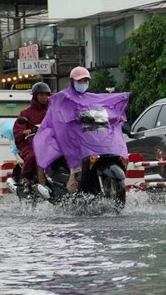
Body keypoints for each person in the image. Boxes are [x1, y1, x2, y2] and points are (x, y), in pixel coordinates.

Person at [33, 66, 129, 194]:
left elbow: (105, 109)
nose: (83, 83)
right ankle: (71, 190)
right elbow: (58, 115)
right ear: (72, 81)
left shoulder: (93, 99)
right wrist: (69, 118)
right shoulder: (64, 98)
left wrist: (116, 116)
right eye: (80, 81)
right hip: (73, 140)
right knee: (75, 173)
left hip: (93, 140)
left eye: (86, 80)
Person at [12, 81, 52, 198]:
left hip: (50, 142)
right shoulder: (25, 113)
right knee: (33, 156)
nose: (44, 97)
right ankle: (28, 182)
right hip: (30, 143)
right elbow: (18, 130)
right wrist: (25, 131)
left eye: (46, 95)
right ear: (35, 96)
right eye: (41, 95)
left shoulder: (51, 111)